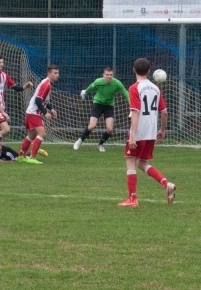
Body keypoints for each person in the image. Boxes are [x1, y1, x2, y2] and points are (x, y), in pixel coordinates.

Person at [118, 58, 176, 207]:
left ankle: (132, 199)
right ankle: (166, 184)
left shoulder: (134, 88)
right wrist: (162, 130)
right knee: (141, 162)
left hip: (139, 131)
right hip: (151, 132)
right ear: (149, 71)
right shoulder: (156, 89)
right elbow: (164, 112)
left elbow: (135, 113)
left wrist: (133, 135)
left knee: (130, 162)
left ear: (133, 70)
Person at [73, 66, 128, 152]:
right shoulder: (99, 81)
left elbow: (125, 93)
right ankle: (80, 140)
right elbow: (92, 86)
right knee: (92, 125)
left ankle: (100, 144)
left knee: (109, 129)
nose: (109, 76)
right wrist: (85, 92)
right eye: (107, 74)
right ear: (103, 75)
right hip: (97, 104)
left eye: (111, 75)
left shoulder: (117, 83)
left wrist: (131, 105)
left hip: (109, 106)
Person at [0, 54, 33, 143]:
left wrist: (26, 86)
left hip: (1, 106)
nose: (1, 64)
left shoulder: (5, 75)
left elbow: (16, 88)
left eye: (2, 62)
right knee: (6, 129)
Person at [18, 65, 59, 165]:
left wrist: (51, 109)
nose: (57, 75)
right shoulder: (47, 84)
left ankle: (21, 157)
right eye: (55, 73)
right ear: (49, 74)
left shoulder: (47, 83)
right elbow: (38, 100)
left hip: (31, 111)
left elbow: (43, 100)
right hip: (34, 112)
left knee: (31, 135)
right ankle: (32, 157)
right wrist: (45, 113)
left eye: (58, 73)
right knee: (42, 134)